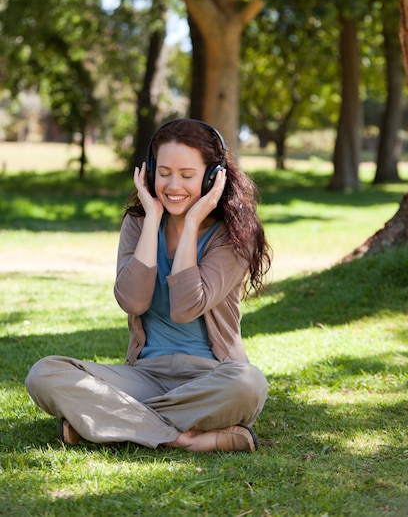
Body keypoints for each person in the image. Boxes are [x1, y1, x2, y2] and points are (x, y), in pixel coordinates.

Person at [25, 118, 272, 452]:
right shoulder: (138, 223)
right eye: (164, 172)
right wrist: (153, 219)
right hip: (144, 378)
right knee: (44, 374)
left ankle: (106, 423)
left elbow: (186, 307)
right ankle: (182, 439)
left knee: (249, 383)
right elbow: (133, 302)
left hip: (211, 378)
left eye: (187, 175)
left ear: (213, 177)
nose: (173, 185)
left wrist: (193, 222)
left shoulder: (233, 235)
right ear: (150, 170)